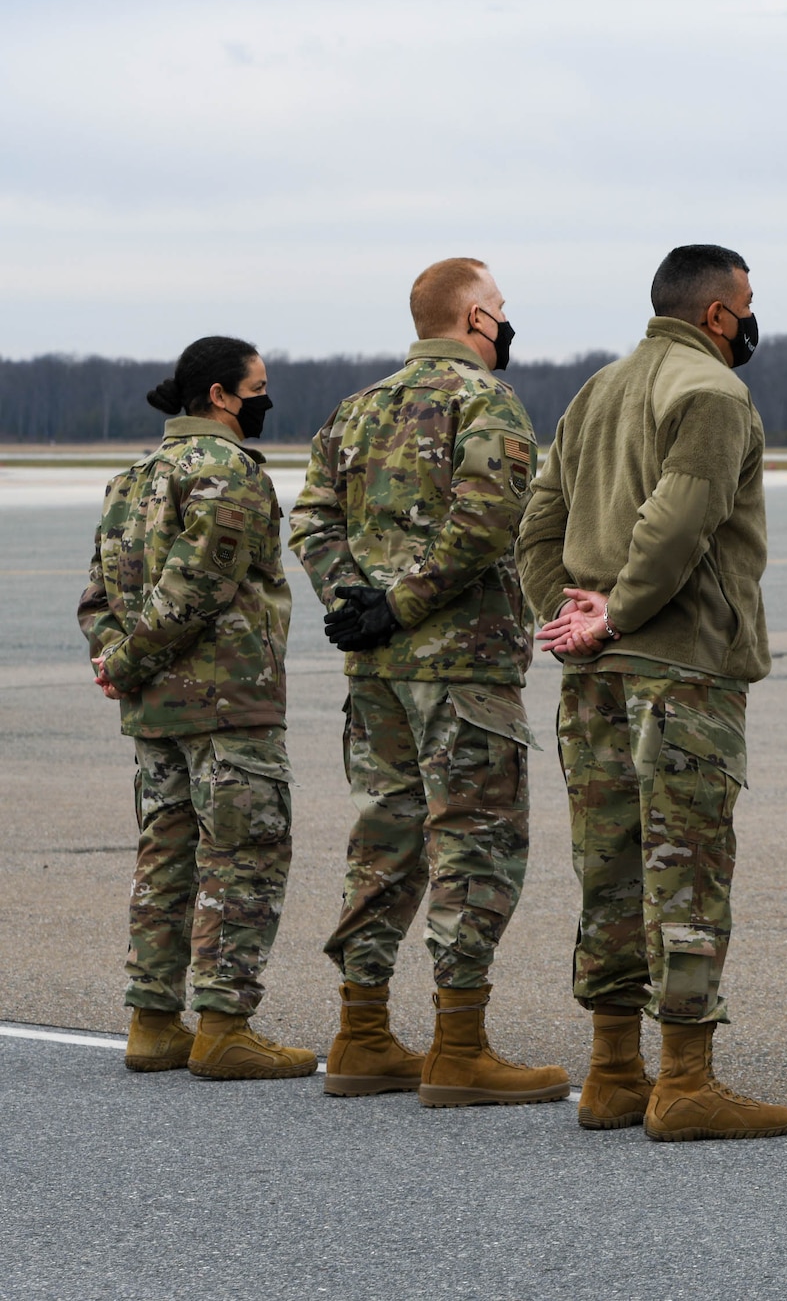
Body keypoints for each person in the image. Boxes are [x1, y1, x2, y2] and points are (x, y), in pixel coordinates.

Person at [517, 244, 787, 1143]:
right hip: (676, 672)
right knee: (686, 872)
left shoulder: (596, 390)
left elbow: (539, 519)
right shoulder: (712, 394)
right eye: (746, 303)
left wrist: (565, 614)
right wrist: (617, 613)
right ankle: (684, 1081)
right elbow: (680, 519)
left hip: (593, 681)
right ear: (718, 314)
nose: (752, 318)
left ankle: (611, 1074)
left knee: (609, 870)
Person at [290, 257, 567, 1107]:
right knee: (476, 843)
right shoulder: (486, 403)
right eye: (501, 310)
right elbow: (490, 517)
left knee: (385, 838)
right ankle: (458, 1047)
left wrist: (357, 601)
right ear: (475, 318)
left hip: (375, 671)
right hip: (460, 665)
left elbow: (311, 517)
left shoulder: (356, 410)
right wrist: (402, 604)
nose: (506, 324)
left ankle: (362, 1030)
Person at [79, 336, 316, 1081]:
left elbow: (99, 596)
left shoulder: (131, 478)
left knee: (166, 855)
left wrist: (119, 661)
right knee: (243, 856)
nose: (265, 399)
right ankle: (224, 1025)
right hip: (227, 704)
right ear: (220, 395)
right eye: (258, 386)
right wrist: (126, 661)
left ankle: (153, 1022)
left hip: (157, 711)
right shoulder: (226, 473)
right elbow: (196, 591)